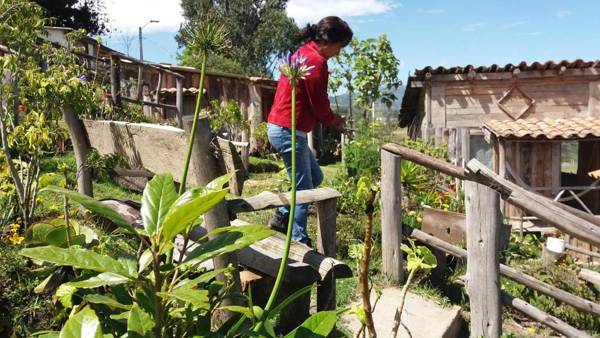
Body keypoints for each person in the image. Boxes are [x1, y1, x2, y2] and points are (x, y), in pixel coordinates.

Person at [267, 16, 353, 247]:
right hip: (288, 129)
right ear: (327, 41)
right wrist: (334, 122)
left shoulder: (304, 52)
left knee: (315, 177)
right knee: (303, 188)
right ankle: (298, 239)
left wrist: (331, 119)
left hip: (285, 128)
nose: (338, 53)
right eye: (339, 47)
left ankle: (282, 216)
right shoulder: (315, 60)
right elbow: (319, 103)